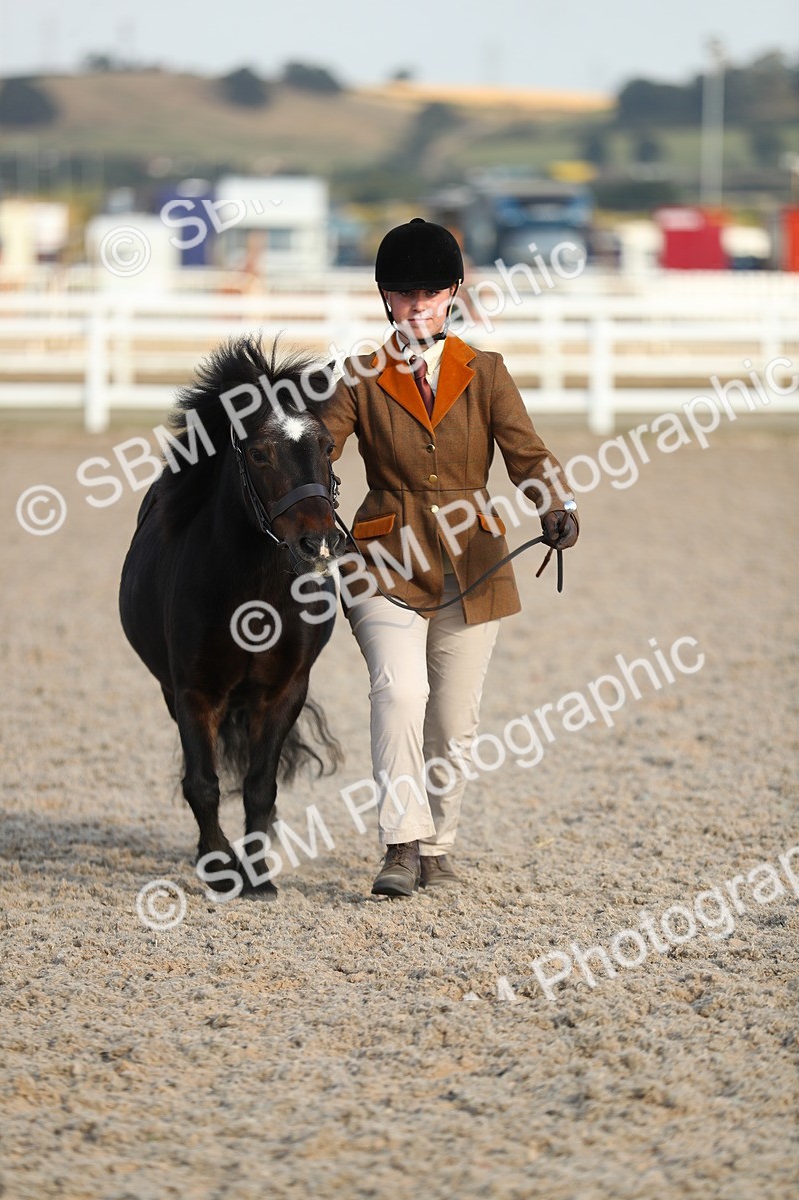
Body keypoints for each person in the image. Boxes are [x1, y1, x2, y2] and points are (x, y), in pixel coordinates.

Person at [322, 217, 578, 897]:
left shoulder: (485, 372)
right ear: (385, 298)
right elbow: (321, 444)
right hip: (384, 559)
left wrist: (554, 501)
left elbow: (526, 452)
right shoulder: (360, 375)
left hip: (476, 563)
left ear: (454, 293)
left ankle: (437, 845)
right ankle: (400, 845)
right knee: (399, 692)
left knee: (454, 721)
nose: (418, 305)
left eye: (431, 292)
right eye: (404, 293)